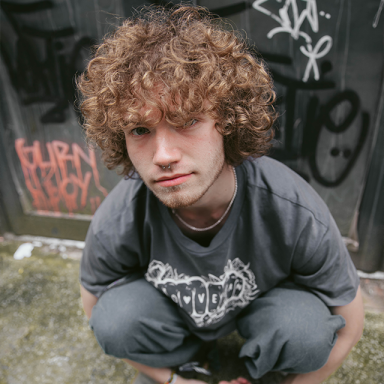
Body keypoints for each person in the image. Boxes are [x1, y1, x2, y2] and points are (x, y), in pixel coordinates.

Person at [77, 5, 364, 384]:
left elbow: (350, 323)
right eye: (140, 130)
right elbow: (93, 306)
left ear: (227, 122)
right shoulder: (121, 215)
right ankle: (191, 361)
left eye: (188, 121)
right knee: (115, 319)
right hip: (175, 319)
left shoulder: (292, 208)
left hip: (264, 312)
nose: (163, 156)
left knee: (307, 330)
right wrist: (173, 381)